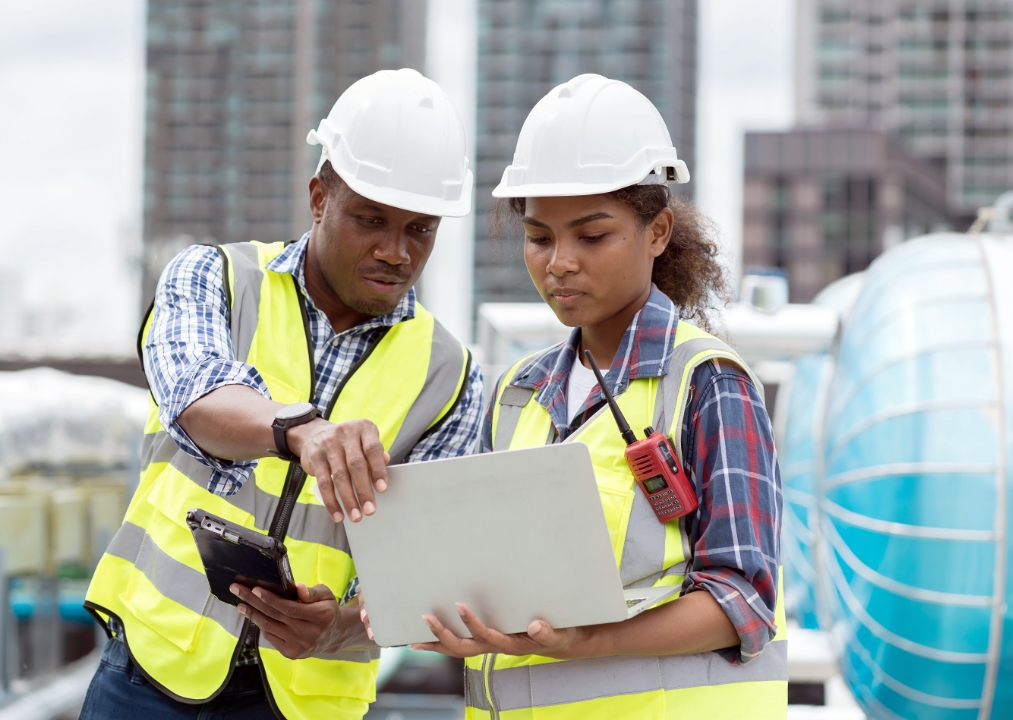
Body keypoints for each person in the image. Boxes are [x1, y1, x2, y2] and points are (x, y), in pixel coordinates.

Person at [80, 68, 485, 720]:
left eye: (420, 229)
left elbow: (429, 576)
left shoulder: (453, 378)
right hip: (149, 678)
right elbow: (197, 397)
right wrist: (301, 428)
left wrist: (342, 625)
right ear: (319, 196)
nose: (395, 251)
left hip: (307, 701)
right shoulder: (216, 279)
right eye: (370, 219)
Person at [399, 74, 787, 717]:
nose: (560, 262)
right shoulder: (517, 394)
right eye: (540, 236)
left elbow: (742, 601)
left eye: (592, 235)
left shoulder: (708, 383)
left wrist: (589, 643)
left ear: (657, 232)